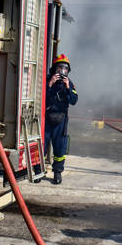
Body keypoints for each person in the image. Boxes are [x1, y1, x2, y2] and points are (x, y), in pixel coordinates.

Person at [45, 53, 78, 185]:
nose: (62, 72)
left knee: (60, 147)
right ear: (55, 69)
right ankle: (37, 171)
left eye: (64, 69)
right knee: (42, 145)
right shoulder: (48, 80)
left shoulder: (69, 83)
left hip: (61, 120)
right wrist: (50, 84)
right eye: (59, 69)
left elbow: (74, 100)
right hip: (46, 118)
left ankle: (57, 173)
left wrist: (68, 88)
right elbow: (42, 97)